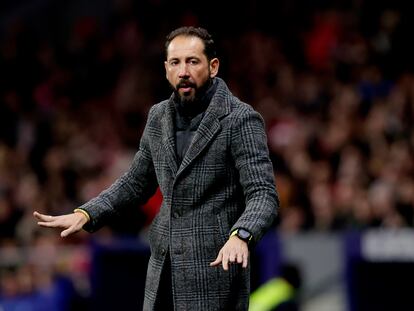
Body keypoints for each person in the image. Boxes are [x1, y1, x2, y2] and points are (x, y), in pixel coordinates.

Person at [34, 26, 279, 311]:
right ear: (166, 69)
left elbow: (263, 193)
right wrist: (87, 213)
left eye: (192, 61)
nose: (183, 71)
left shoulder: (240, 120)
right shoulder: (158, 117)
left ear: (213, 67)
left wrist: (242, 235)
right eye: (175, 62)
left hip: (214, 275)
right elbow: (136, 183)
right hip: (161, 273)